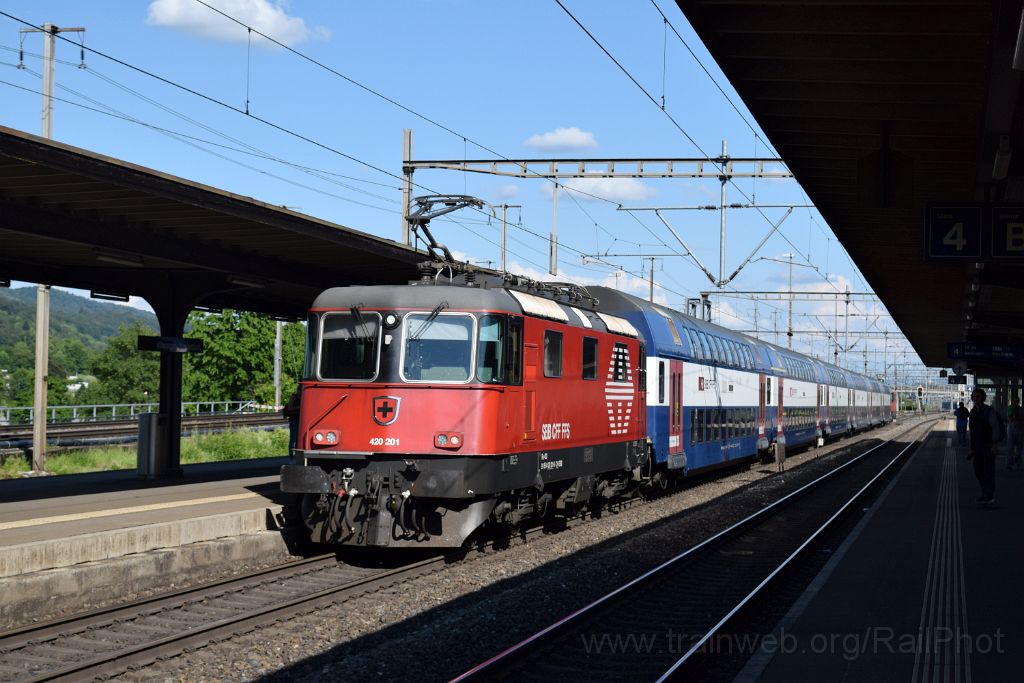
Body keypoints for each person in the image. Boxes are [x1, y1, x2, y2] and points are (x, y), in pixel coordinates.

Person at [968, 389, 1002, 505]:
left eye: (977, 396)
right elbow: (972, 431)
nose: (975, 398)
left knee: (988, 472)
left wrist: (995, 444)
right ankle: (985, 493)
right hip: (977, 447)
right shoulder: (973, 412)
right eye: (973, 397)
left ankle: (989, 496)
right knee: (978, 470)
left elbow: (995, 427)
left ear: (983, 398)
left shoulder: (989, 411)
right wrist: (972, 448)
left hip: (988, 446)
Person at [282, 388, 302, 456]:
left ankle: (296, 456)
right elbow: (290, 408)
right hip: (294, 420)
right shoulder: (294, 397)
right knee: (293, 439)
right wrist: (300, 406)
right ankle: (291, 456)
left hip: (301, 421)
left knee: (297, 440)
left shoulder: (304, 397)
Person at [1008, 396, 1023, 470]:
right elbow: (1010, 418)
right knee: (1015, 447)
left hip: (1017, 429)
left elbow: (1010, 419)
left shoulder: (1019, 409)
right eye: (1015, 401)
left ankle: (1014, 462)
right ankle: (1013, 462)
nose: (1015, 403)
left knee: (1015, 447)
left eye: (1016, 402)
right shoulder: (1013, 408)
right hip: (1016, 429)